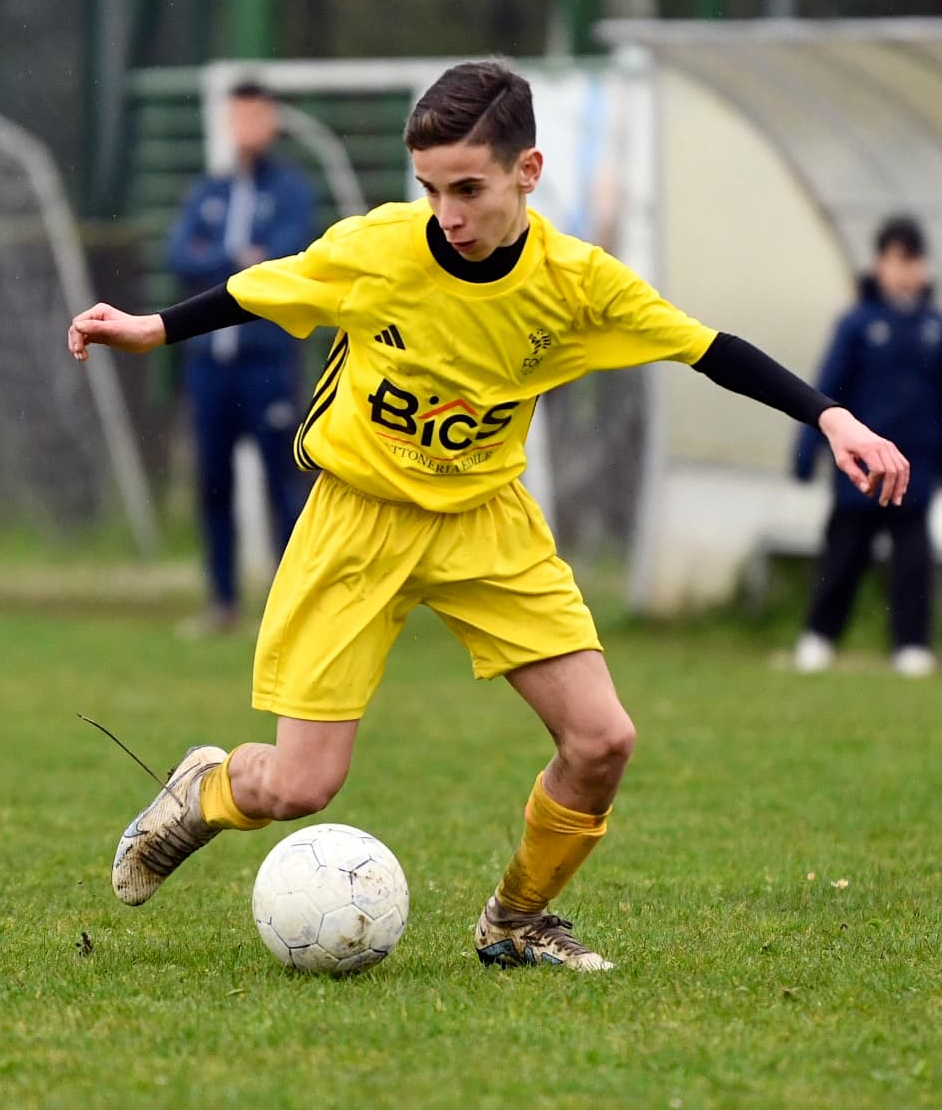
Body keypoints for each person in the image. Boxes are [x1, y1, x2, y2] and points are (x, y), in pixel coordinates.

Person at [67, 60, 908, 970]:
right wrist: (151, 326)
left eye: (467, 188)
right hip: (358, 518)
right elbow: (263, 287)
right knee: (302, 784)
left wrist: (830, 415)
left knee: (601, 741)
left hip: (484, 521)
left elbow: (708, 349)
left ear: (528, 172)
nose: (447, 215)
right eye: (430, 189)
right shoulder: (379, 250)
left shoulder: (575, 283)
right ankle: (207, 787)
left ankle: (515, 920)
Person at [166, 81, 316, 635]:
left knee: (284, 481)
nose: (245, 127)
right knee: (214, 483)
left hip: (267, 360)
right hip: (210, 365)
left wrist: (223, 258)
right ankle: (222, 602)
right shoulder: (210, 190)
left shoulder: (293, 190)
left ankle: (289, 609)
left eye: (255, 115)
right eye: (237, 117)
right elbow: (180, 254)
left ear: (271, 120)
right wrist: (237, 256)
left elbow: (287, 257)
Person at [792, 216, 942, 677]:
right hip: (859, 470)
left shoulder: (934, 328)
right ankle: (818, 638)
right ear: (879, 263)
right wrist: (805, 454)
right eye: (897, 260)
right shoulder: (857, 324)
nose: (905, 271)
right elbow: (827, 389)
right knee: (843, 556)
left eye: (913, 260)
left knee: (913, 562)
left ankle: (911, 646)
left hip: (916, 468)